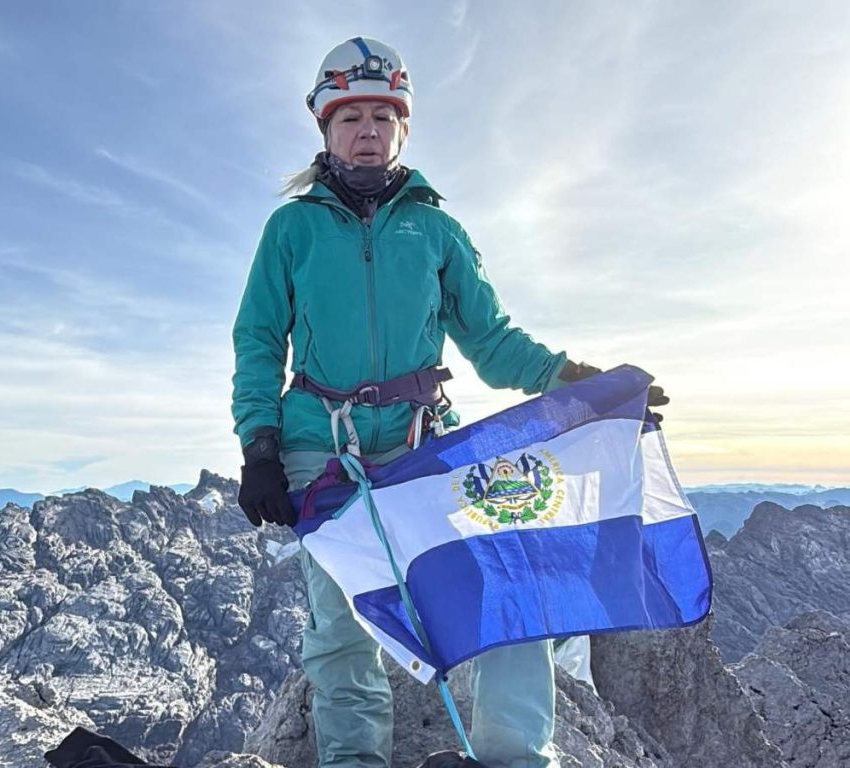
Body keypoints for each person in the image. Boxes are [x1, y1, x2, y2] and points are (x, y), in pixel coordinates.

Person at [231, 37, 666, 768]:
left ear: (403, 126)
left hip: (423, 445)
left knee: (507, 588)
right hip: (322, 449)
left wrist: (581, 382)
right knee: (343, 628)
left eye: (382, 115)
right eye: (349, 117)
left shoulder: (436, 229)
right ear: (325, 129)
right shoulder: (291, 229)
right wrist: (260, 445)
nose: (366, 130)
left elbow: (492, 342)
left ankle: (515, 757)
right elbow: (258, 339)